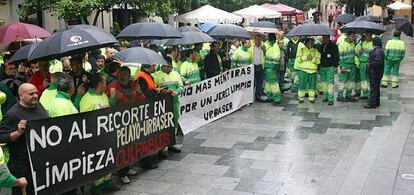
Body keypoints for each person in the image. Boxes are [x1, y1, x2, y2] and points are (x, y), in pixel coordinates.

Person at [0, 83, 49, 195]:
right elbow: (2, 138)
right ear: (21, 96)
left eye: (36, 92)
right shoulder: (12, 114)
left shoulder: (38, 105)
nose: (35, 95)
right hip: (22, 166)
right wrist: (18, 132)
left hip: (40, 162)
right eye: (31, 94)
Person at [79, 74, 118, 194]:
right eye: (105, 82)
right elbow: (83, 119)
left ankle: (107, 183)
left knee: (108, 160)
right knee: (98, 163)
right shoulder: (86, 99)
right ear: (100, 84)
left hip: (106, 135)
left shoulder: (103, 95)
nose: (107, 84)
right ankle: (96, 189)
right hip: (95, 138)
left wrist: (112, 99)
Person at [105, 66, 143, 184]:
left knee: (129, 146)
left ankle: (127, 168)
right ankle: (122, 173)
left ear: (129, 75)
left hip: (132, 120)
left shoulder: (134, 85)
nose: (121, 76)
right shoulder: (112, 86)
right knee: (121, 148)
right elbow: (107, 104)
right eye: (119, 74)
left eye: (124, 74)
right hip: (118, 123)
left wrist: (140, 92)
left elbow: (142, 101)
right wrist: (114, 98)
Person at [153, 57, 182, 154]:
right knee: (164, 124)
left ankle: (172, 144)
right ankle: (162, 146)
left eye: (168, 66)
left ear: (171, 65)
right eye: (164, 66)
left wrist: (177, 92)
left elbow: (181, 87)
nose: (166, 68)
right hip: (163, 105)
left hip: (174, 102)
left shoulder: (176, 74)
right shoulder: (156, 75)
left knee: (174, 122)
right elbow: (154, 90)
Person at [295, 38, 321, 103]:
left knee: (312, 85)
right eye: (310, 42)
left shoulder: (316, 51)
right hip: (303, 70)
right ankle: (301, 98)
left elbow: (318, 61)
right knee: (302, 84)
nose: (311, 44)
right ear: (306, 43)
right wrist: (305, 57)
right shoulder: (302, 49)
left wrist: (312, 59)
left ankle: (311, 98)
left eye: (312, 42)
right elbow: (298, 59)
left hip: (313, 71)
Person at [318, 35, 339, 105]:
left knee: (330, 83)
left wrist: (335, 65)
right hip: (322, 67)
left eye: (326, 38)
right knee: (324, 83)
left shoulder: (334, 46)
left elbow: (336, 56)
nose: (324, 39)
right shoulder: (321, 46)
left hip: (330, 67)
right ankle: (326, 96)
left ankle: (330, 98)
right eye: (323, 38)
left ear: (329, 38)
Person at [337, 31, 357, 102]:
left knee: (351, 81)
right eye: (352, 36)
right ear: (347, 36)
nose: (354, 38)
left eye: (354, 36)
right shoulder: (342, 44)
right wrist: (341, 66)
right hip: (345, 64)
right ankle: (340, 96)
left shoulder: (353, 44)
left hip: (352, 65)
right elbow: (340, 57)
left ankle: (348, 95)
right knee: (342, 81)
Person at [365, 38, 384, 108]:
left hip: (374, 73)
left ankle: (372, 103)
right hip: (376, 73)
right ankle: (376, 101)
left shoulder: (377, 51)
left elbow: (378, 61)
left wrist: (369, 64)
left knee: (373, 88)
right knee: (376, 88)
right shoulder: (378, 50)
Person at [264, 33, 282, 106]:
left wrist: (273, 67)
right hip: (268, 67)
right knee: (268, 83)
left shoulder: (275, 46)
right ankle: (270, 96)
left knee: (273, 83)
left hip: (271, 67)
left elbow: (276, 58)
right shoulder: (269, 44)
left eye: (268, 37)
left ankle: (277, 99)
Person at [355, 32, 374, 99]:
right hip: (362, 63)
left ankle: (370, 93)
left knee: (369, 79)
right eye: (366, 35)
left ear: (371, 36)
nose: (367, 36)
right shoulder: (363, 43)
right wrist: (360, 51)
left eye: (369, 35)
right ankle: (365, 93)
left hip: (369, 64)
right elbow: (357, 52)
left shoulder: (373, 44)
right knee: (363, 79)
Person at [250, 34, 266, 102]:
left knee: (260, 82)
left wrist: (264, 50)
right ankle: (250, 96)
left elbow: (266, 55)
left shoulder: (263, 46)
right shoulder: (251, 47)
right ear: (254, 39)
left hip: (260, 66)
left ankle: (258, 96)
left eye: (259, 39)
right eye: (257, 39)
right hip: (253, 66)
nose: (258, 41)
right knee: (252, 82)